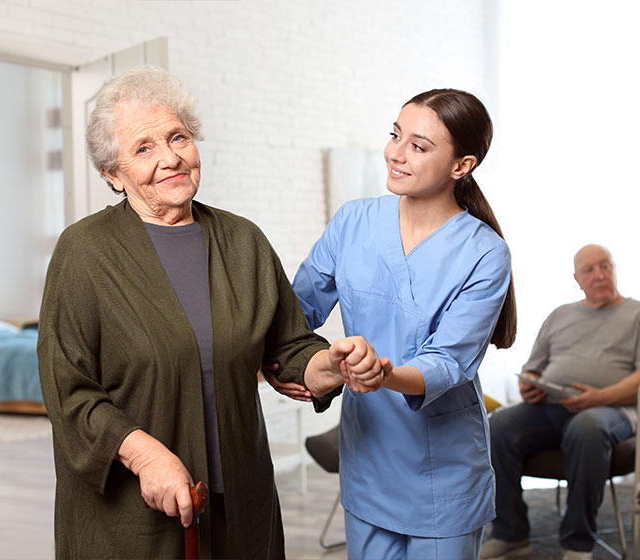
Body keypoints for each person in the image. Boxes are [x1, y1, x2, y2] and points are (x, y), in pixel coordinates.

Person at [37, 66, 385, 559]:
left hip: (239, 500)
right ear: (112, 175)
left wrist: (332, 365)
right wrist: (144, 454)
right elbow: (66, 390)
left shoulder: (243, 241)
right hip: (130, 515)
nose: (170, 157)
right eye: (144, 148)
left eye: (178, 137)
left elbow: (287, 346)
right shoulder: (84, 252)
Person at [269, 88, 516, 559]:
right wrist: (305, 365)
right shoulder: (352, 223)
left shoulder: (485, 253)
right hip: (368, 462)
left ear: (461, 165)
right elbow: (294, 314)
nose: (395, 154)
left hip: (443, 475)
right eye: (395, 135)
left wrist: (381, 375)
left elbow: (447, 363)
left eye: (418, 146)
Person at [480, 244, 640, 560]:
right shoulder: (560, 315)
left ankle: (578, 543)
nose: (599, 275)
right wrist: (529, 385)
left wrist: (598, 398)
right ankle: (510, 534)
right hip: (552, 407)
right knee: (497, 425)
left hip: (613, 410)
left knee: (587, 426)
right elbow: (532, 367)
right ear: (577, 279)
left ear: (615, 269)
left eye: (605, 266)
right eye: (589, 270)